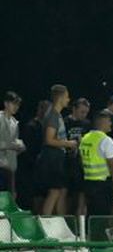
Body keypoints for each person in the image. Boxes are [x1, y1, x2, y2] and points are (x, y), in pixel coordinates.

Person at [79, 110, 113, 239]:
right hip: (103, 184)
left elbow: (81, 161)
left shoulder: (85, 139)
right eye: (109, 121)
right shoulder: (106, 140)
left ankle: (92, 243)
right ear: (101, 122)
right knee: (101, 218)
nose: (111, 124)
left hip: (88, 182)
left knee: (92, 216)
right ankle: (100, 247)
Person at [37, 84, 77, 215]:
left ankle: (58, 222)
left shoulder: (56, 115)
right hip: (51, 158)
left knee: (58, 191)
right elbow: (49, 139)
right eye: (67, 96)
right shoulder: (53, 115)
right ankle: (46, 223)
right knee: (54, 191)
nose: (68, 99)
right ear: (60, 97)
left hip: (57, 158)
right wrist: (69, 143)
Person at [0, 91, 24, 193]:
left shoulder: (14, 122)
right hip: (0, 165)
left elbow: (15, 145)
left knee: (11, 197)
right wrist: (10, 146)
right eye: (14, 103)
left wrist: (20, 147)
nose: (16, 107)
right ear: (6, 103)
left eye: (18, 104)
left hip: (10, 167)